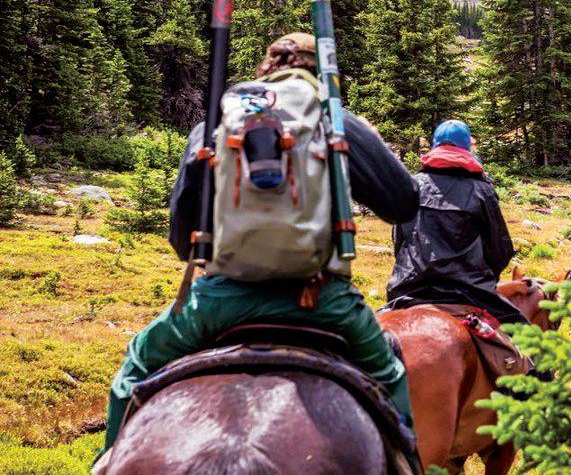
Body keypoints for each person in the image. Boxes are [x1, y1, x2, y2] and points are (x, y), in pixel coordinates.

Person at [101, 34, 421, 454]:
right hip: (323, 301)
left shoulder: (221, 119)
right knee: (391, 376)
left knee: (136, 365)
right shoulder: (335, 120)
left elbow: (183, 235)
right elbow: (403, 203)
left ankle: (107, 458)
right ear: (320, 72)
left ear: (266, 67)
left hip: (221, 301)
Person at [384, 120, 525, 326]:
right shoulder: (482, 190)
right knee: (522, 332)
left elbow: (399, 242)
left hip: (409, 290)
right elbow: (500, 249)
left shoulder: (412, 185)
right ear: (467, 147)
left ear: (435, 145)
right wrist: (486, 278)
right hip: (471, 292)